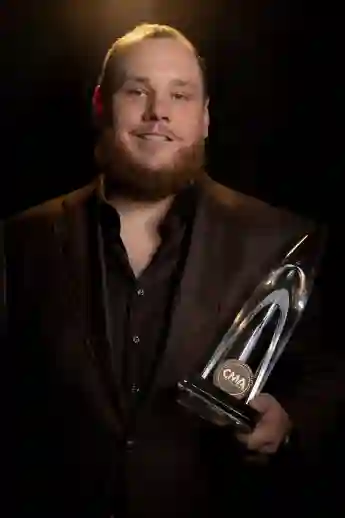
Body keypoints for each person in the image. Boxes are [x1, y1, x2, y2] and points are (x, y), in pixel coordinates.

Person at [0, 23, 332, 518]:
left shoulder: (282, 239)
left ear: (204, 118)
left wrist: (291, 421)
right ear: (100, 105)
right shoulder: (17, 240)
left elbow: (329, 371)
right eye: (137, 91)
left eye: (180, 95)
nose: (158, 112)